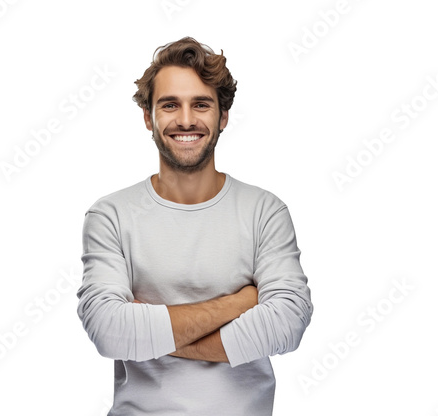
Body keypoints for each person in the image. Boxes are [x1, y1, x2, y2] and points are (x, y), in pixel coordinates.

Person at [76, 36, 313, 416]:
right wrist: (239, 303)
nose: (185, 120)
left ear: (223, 116)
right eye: (170, 105)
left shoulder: (264, 211)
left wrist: (149, 332)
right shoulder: (111, 215)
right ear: (147, 117)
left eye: (200, 104)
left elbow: (287, 324)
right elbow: (108, 331)